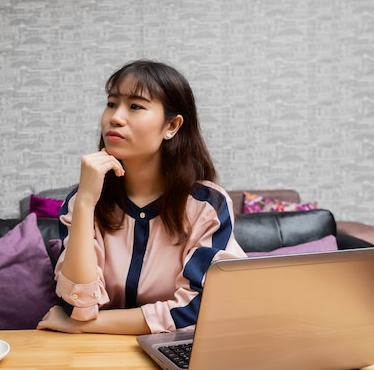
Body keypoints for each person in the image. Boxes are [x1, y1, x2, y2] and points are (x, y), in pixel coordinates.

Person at [37, 59, 246, 335]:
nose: (115, 117)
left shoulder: (206, 206)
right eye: (111, 103)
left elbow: (198, 308)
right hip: (94, 355)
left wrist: (90, 325)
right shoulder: (81, 202)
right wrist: (86, 202)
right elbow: (78, 303)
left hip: (178, 351)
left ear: (172, 125)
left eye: (135, 106)